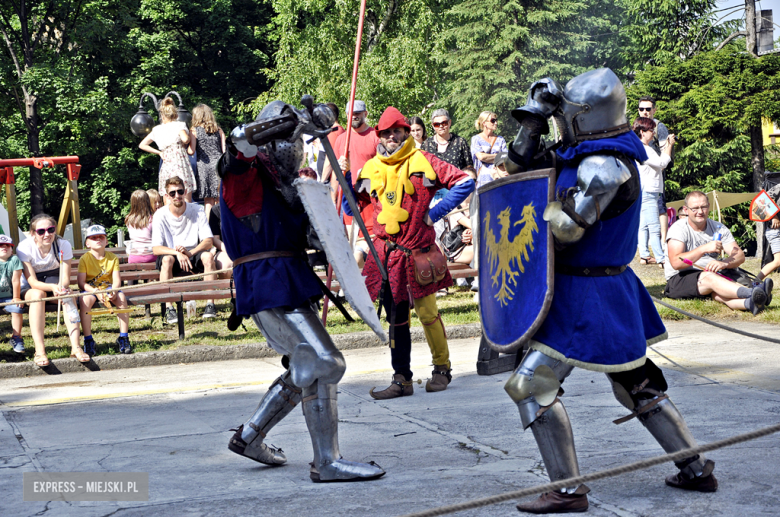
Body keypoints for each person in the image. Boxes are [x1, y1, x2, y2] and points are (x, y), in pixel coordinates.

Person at [502, 69, 719, 514]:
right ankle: (695, 469)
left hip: (590, 295)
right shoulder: (582, 154)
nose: (563, 123)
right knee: (636, 383)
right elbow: (515, 168)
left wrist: (526, 225)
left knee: (532, 384)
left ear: (587, 115)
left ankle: (567, 491)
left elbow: (565, 232)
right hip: (594, 290)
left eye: (566, 115)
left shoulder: (602, 165)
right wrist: (532, 121)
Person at [221, 99, 385, 483]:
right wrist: (294, 120)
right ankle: (326, 461)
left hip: (288, 278)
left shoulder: (285, 182)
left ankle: (250, 435)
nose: (292, 150)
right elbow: (240, 140)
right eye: (287, 141)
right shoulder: (242, 175)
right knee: (327, 362)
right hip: (267, 282)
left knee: (307, 366)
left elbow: (316, 236)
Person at [344, 106, 475, 398]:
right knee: (396, 318)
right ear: (380, 135)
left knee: (428, 313)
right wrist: (346, 183)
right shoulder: (371, 168)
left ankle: (442, 369)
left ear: (406, 132)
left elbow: (465, 182)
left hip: (418, 251)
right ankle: (401, 378)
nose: (393, 136)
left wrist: (437, 211)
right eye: (387, 132)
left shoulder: (423, 159)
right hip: (388, 256)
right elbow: (350, 207)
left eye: (398, 131)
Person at [664, 191, 772, 314]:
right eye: (695, 208)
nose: (700, 211)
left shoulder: (718, 228)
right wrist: (704, 248)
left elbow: (739, 256)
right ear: (685, 209)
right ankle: (753, 292)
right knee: (710, 278)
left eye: (703, 207)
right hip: (680, 278)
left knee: (718, 292)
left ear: (709, 206)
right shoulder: (678, 229)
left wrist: (724, 263)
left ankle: (751, 303)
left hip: (711, 277)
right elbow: (676, 263)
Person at [17, 214, 88, 367]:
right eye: (41, 231)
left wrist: (61, 288)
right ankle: (40, 350)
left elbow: (65, 278)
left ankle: (76, 347)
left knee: (68, 296)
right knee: (38, 296)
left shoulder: (63, 245)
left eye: (50, 229)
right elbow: (32, 281)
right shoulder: (24, 247)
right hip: (31, 287)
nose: (47, 234)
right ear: (33, 233)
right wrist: (51, 288)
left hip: (55, 281)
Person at [152, 176, 218, 324]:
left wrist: (190, 253)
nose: (177, 196)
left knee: (208, 257)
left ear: (185, 191)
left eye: (180, 191)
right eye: (173, 193)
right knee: (167, 259)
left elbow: (208, 240)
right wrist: (177, 253)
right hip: (171, 254)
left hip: (193, 252)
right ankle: (169, 308)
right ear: (167, 196)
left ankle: (210, 304)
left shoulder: (198, 210)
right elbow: (156, 249)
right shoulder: (160, 215)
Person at [78, 225, 132, 355]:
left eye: (101, 237)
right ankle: (88, 339)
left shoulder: (112, 258)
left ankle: (123, 337)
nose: (98, 239)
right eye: (93, 237)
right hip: (91, 289)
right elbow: (81, 283)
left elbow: (117, 280)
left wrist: (114, 290)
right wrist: (95, 291)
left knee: (121, 298)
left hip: (108, 287)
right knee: (85, 301)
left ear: (106, 241)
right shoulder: (84, 259)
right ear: (87, 243)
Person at [633, 117, 675, 266]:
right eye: (651, 130)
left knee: (643, 226)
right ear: (642, 132)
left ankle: (644, 255)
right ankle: (661, 258)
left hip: (646, 191)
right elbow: (662, 163)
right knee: (654, 226)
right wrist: (669, 145)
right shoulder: (643, 149)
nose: (653, 133)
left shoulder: (643, 147)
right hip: (648, 191)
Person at [138, 97, 196, 202]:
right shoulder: (179, 125)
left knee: (168, 193)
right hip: (180, 162)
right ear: (175, 114)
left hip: (167, 164)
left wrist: (159, 152)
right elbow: (185, 139)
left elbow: (142, 145)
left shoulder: (157, 129)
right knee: (184, 193)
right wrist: (189, 135)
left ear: (162, 115)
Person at [638, 96, 671, 245]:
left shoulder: (659, 127)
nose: (645, 112)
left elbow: (666, 148)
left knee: (659, 206)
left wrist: (661, 164)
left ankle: (662, 242)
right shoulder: (636, 125)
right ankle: (643, 246)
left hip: (656, 170)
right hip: (639, 173)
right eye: (641, 109)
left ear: (654, 110)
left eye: (648, 109)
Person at [189, 103, 226, 218]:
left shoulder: (194, 130)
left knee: (208, 201)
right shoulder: (219, 130)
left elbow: (192, 151)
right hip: (218, 166)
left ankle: (210, 228)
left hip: (204, 167)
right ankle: (222, 227)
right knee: (220, 199)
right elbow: (224, 151)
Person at [0, 235, 25, 354]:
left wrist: (16, 297)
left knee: (17, 308)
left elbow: (16, 280)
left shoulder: (14, 260)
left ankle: (16, 337)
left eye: (7, 245)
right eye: (0, 245)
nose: (4, 247)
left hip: (10, 296)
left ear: (11, 249)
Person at [471, 111, 508, 188]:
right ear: (484, 123)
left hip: (498, 177)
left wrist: (487, 157)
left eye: (496, 120)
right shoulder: (476, 139)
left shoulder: (500, 139)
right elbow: (481, 157)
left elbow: (506, 158)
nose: (496, 123)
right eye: (493, 120)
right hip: (482, 179)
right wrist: (498, 157)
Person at [125, 190, 156, 264]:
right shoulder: (153, 219)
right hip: (151, 256)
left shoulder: (128, 219)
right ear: (147, 202)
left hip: (134, 257)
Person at [207, 203, 233, 279]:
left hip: (248, 249)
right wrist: (229, 251)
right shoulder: (216, 210)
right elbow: (215, 238)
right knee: (225, 268)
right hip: (225, 249)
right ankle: (227, 290)